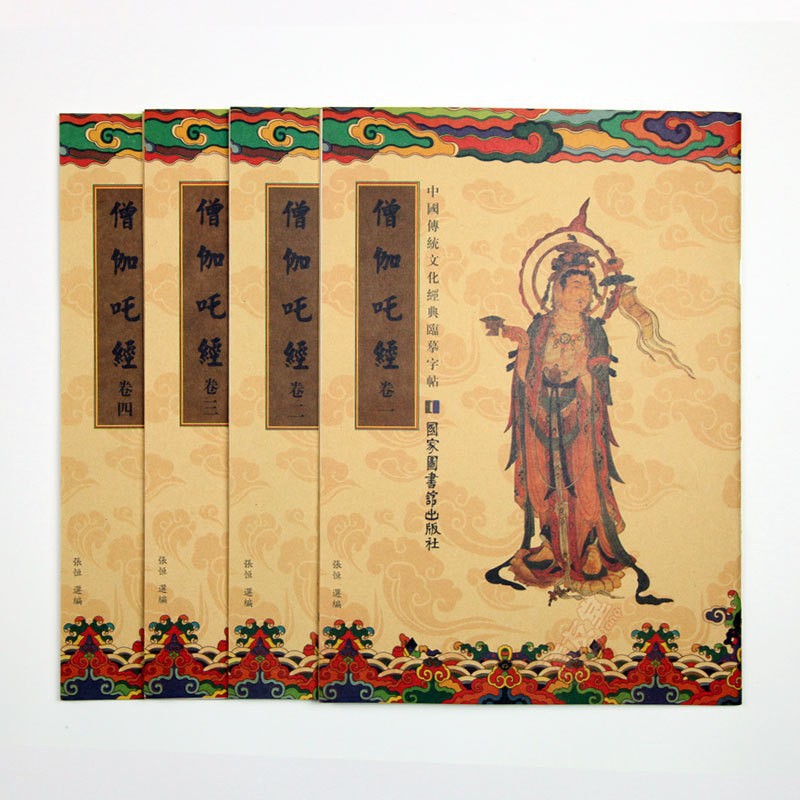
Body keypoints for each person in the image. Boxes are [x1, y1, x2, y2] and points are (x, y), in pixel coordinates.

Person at [485, 240, 670, 605]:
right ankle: (549, 542)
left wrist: (580, 376)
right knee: (544, 478)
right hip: (541, 411)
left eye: (587, 288)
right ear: (557, 289)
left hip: (580, 412)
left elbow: (599, 372)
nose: (582, 295)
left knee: (585, 478)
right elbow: (526, 374)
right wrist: (523, 344)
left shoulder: (594, 329)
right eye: (575, 287)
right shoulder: (540, 326)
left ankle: (591, 546)